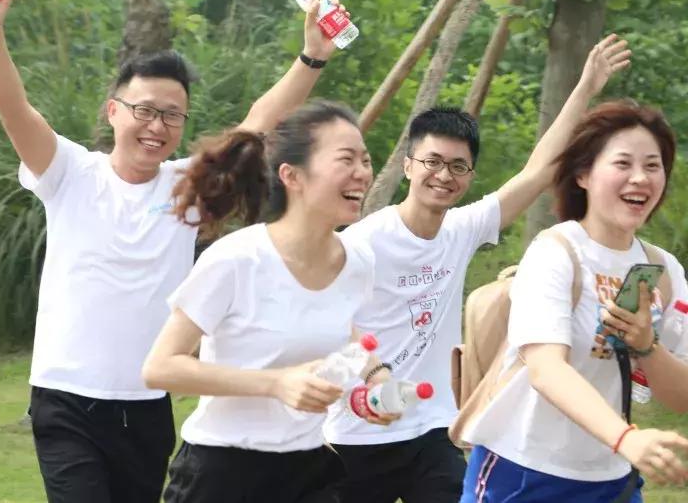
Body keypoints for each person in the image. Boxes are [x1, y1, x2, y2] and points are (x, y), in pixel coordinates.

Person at [0, 0, 344, 503]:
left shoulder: (186, 186)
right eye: (143, 111)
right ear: (113, 111)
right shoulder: (68, 172)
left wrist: (313, 56)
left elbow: (259, 122)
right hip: (65, 397)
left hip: (147, 402)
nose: (156, 126)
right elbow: (13, 106)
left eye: (172, 116)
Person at [325, 34, 633, 503]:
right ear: (409, 165)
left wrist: (585, 87)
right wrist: (372, 376)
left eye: (457, 166)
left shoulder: (462, 229)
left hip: (432, 427)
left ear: (469, 176)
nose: (443, 176)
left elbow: (539, 170)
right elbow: (330, 320)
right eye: (431, 162)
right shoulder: (364, 242)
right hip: (359, 429)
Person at [142, 100, 397, 503]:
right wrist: (276, 383)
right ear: (292, 176)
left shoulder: (357, 262)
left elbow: (344, 330)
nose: (363, 173)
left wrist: (376, 377)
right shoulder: (237, 259)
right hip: (220, 475)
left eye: (365, 160)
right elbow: (160, 368)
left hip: (308, 470)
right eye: (346, 159)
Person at [459, 100, 688, 501]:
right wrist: (627, 439)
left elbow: (680, 397)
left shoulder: (664, 269)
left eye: (653, 166)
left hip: (611, 479)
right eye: (623, 164)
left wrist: (646, 346)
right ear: (583, 173)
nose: (640, 178)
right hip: (522, 473)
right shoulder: (557, 251)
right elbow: (547, 369)